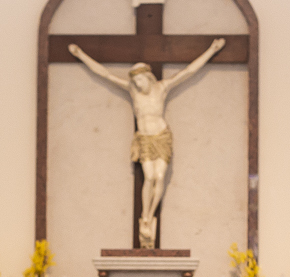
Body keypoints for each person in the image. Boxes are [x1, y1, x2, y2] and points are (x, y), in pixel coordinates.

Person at [67, 38, 226, 247]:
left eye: (140, 81)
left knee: (159, 176)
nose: (138, 85)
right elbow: (104, 74)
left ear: (148, 78)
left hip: (161, 136)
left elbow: (188, 72)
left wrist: (211, 50)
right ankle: (145, 216)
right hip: (144, 138)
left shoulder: (162, 88)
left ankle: (148, 216)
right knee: (149, 177)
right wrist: (80, 54)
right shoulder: (132, 91)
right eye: (136, 83)